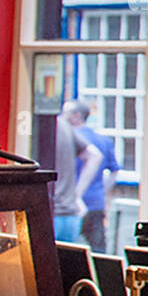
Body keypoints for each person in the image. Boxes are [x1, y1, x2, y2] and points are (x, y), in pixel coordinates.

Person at [64, 100, 121, 254]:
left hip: (69, 205)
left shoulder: (68, 138)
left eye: (65, 113)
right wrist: (103, 191)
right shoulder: (104, 141)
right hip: (96, 202)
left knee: (65, 252)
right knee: (98, 253)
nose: (62, 117)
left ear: (76, 116)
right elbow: (114, 171)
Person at [52, 103, 102, 244]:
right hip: (69, 215)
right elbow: (94, 156)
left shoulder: (42, 124)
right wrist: (76, 196)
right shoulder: (63, 125)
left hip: (48, 215)